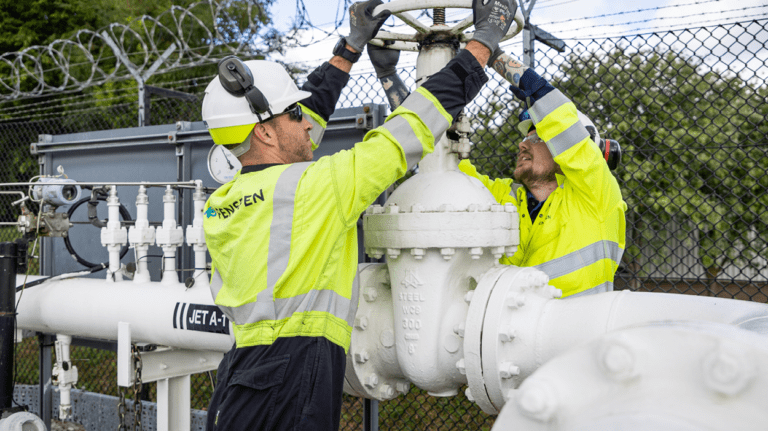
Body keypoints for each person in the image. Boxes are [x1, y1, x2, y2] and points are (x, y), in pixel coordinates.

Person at [200, 0, 518, 429]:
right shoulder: (315, 190)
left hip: (243, 375)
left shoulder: (223, 202)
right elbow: (411, 127)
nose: (309, 123)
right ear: (264, 131)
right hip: (291, 376)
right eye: (296, 113)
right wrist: (482, 44)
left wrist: (350, 47)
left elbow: (298, 128)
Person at [458, 50, 627, 298]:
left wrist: (492, 53)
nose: (523, 145)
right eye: (524, 138)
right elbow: (445, 167)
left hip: (576, 333)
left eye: (537, 137)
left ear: (565, 147)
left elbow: (565, 129)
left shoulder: (596, 196)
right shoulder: (505, 196)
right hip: (508, 334)